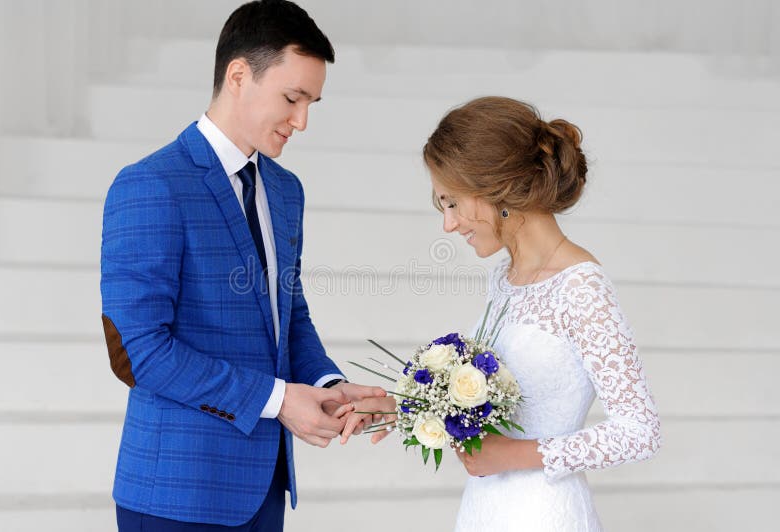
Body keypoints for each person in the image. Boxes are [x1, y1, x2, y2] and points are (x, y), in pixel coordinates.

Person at [100, 1, 383, 530]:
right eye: (293, 98)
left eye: (312, 103)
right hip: (175, 495)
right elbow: (138, 354)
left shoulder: (285, 189)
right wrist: (278, 401)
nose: (301, 121)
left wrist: (327, 385)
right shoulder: (150, 185)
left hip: (263, 492)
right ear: (238, 75)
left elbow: (288, 314)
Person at [343, 96, 661, 531]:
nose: (448, 224)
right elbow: (498, 395)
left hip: (545, 514)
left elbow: (639, 430)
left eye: (452, 202)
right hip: (485, 509)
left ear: (498, 190)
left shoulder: (582, 286)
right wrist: (404, 407)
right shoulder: (505, 278)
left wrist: (511, 455)